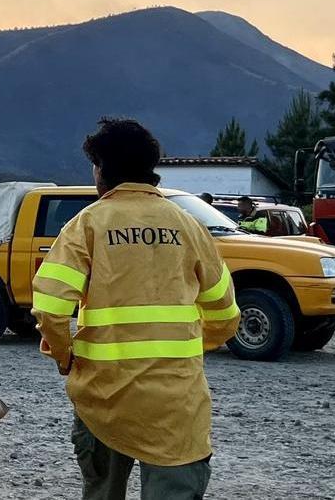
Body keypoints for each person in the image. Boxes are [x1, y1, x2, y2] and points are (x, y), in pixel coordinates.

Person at [32, 119, 240, 500]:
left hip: (104, 399)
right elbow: (226, 317)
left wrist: (65, 357)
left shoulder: (86, 225)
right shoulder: (191, 228)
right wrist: (183, 350)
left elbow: (49, 310)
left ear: (103, 170)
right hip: (176, 406)